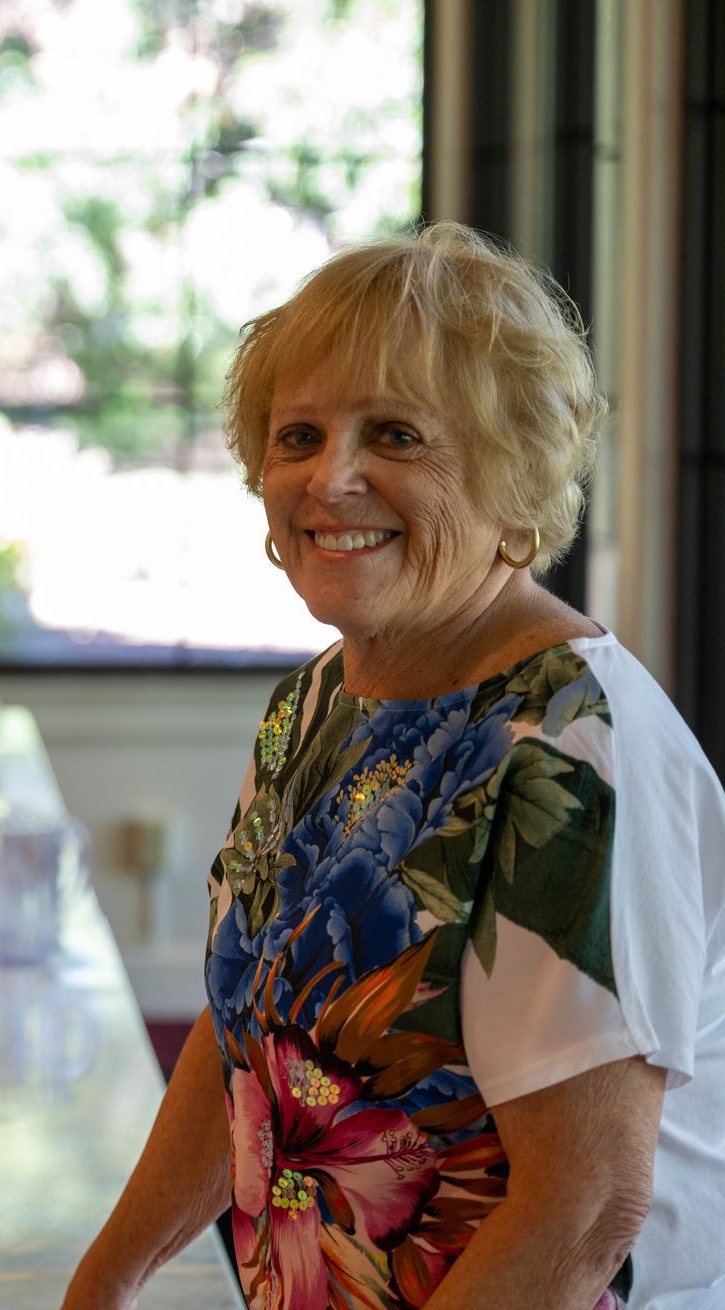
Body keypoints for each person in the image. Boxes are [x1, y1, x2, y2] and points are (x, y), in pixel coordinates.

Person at [62, 223, 725, 1310]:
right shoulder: (319, 701)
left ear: (513, 471)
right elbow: (247, 1036)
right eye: (299, 434)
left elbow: (586, 1208)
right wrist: (104, 1280)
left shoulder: (570, 742)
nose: (332, 477)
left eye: (399, 435)